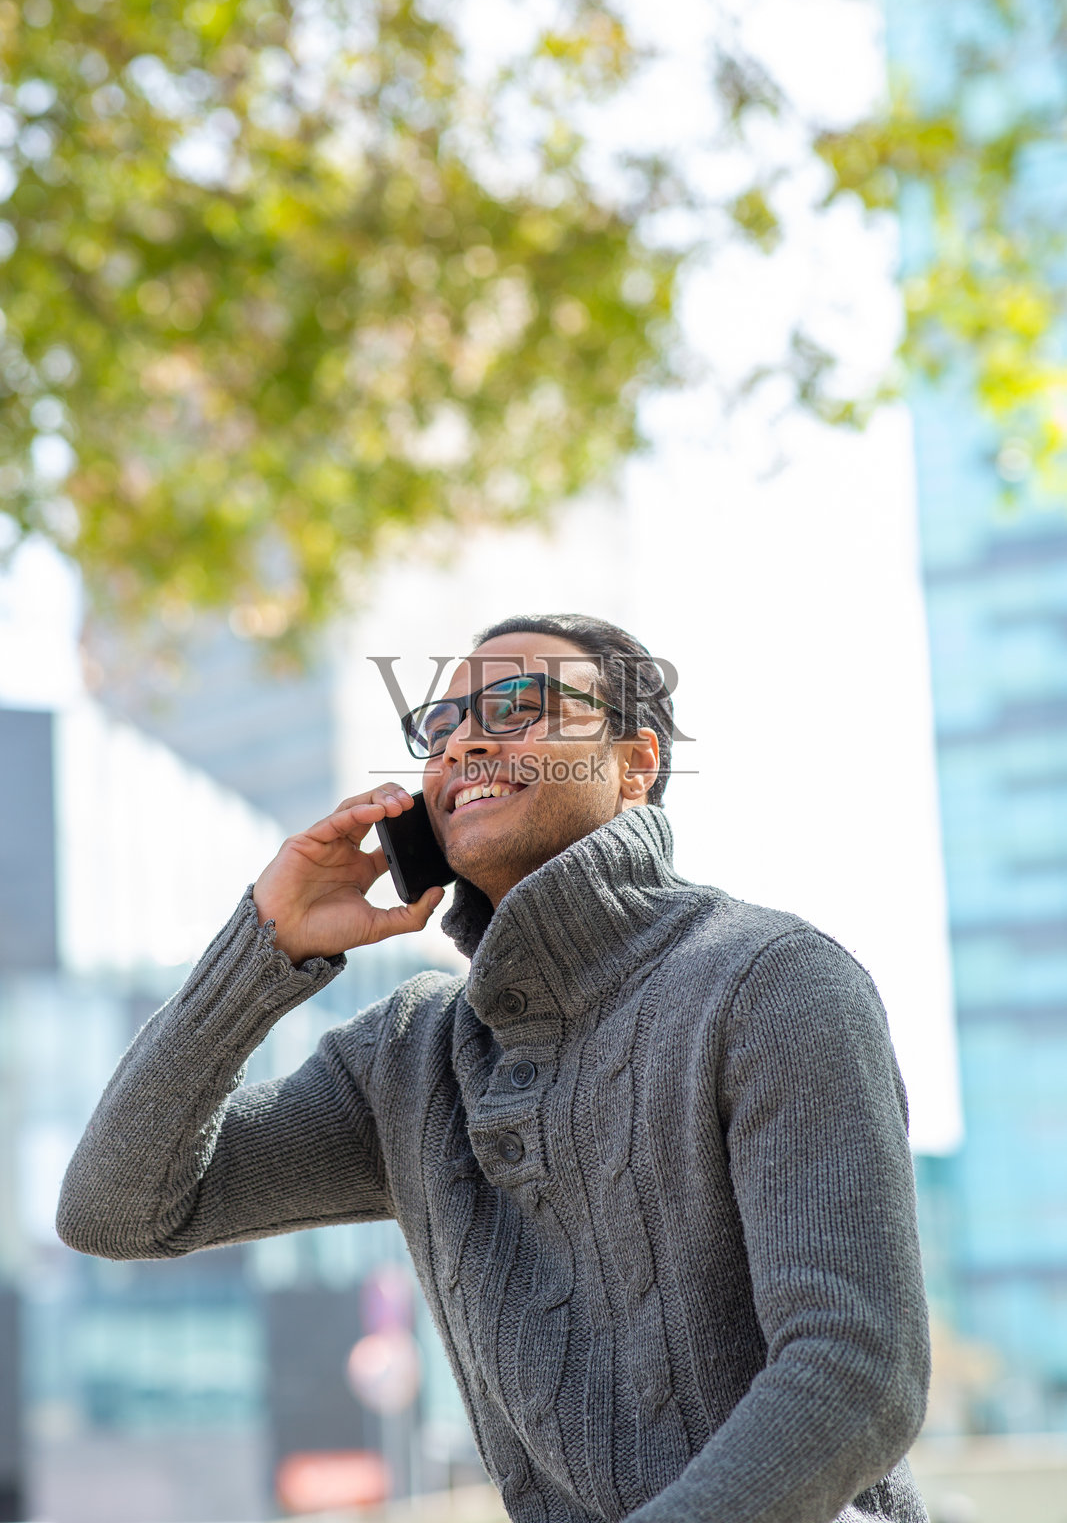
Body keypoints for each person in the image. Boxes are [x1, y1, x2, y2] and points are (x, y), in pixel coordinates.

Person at [58, 611, 931, 1523]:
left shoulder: (771, 980)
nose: (463, 739)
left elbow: (855, 1372)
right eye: (438, 728)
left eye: (518, 705)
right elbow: (114, 1210)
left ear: (632, 766)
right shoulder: (406, 1058)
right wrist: (262, 949)